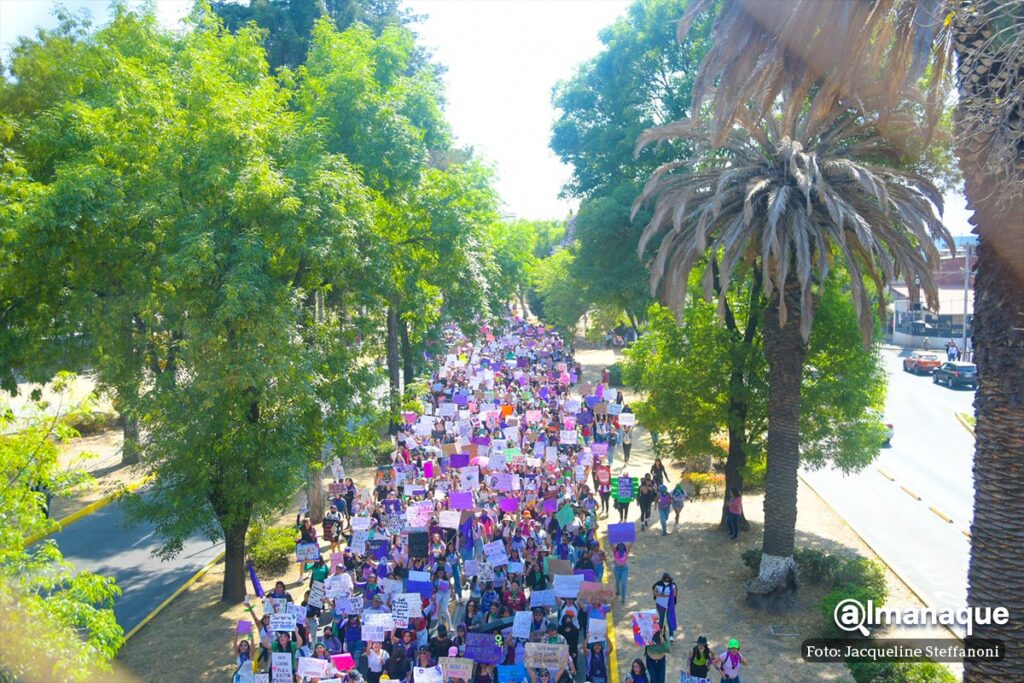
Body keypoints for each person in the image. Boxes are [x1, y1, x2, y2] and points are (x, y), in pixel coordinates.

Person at [651, 573, 676, 641]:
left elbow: (674, 594)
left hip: (669, 605)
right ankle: (659, 634)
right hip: (660, 605)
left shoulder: (673, 586)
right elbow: (654, 593)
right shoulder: (658, 585)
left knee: (669, 620)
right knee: (661, 620)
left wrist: (667, 596)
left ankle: (671, 635)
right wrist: (660, 595)